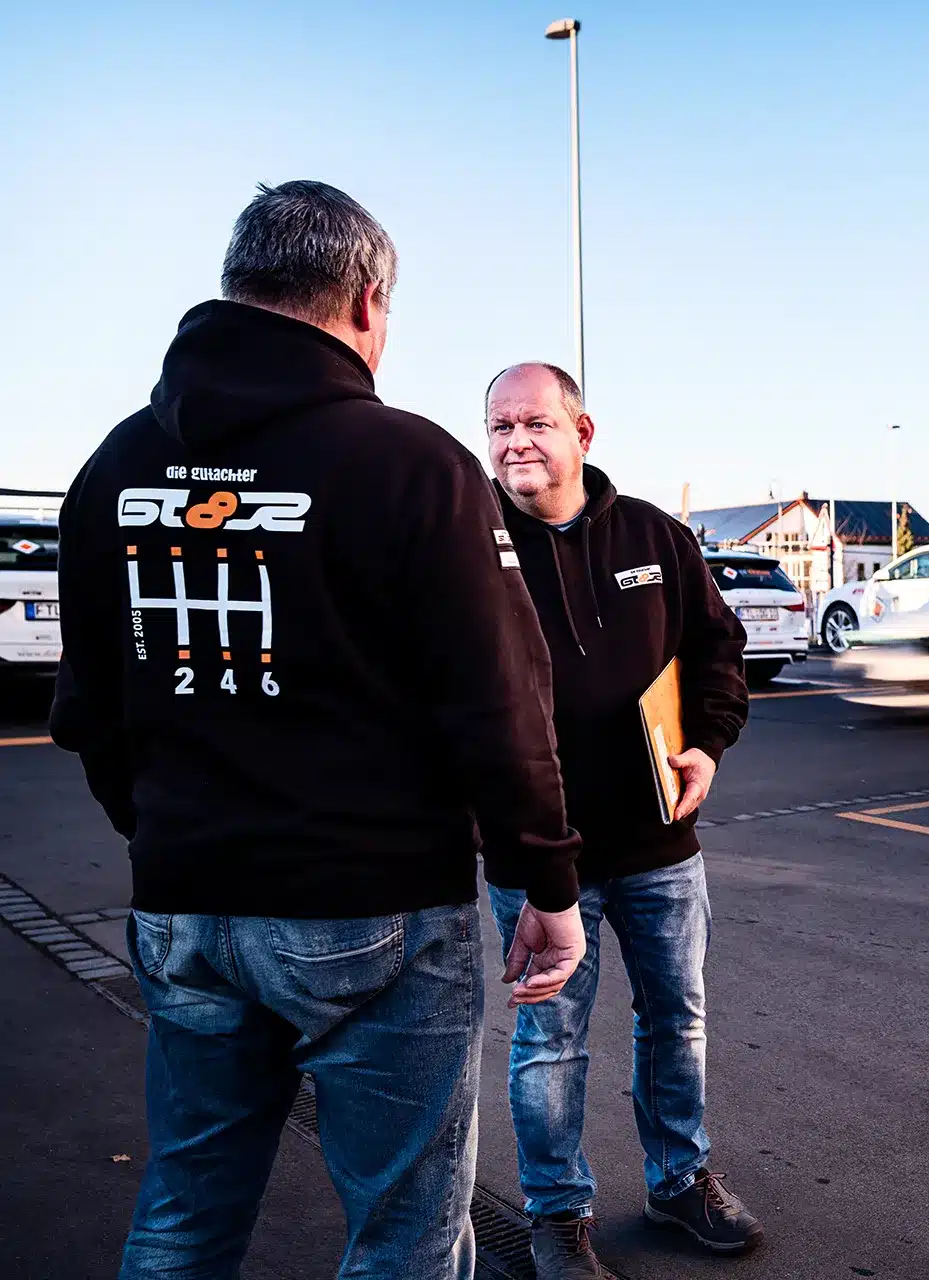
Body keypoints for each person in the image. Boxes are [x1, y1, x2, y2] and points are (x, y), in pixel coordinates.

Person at [50, 181, 588, 1279]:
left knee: (185, 1211)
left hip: (185, 901)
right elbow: (499, 698)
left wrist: (169, 830)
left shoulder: (116, 465)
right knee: (404, 1229)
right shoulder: (410, 462)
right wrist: (548, 881)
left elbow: (89, 704)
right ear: (365, 299)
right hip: (370, 908)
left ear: (238, 287)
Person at [481, 362, 757, 1276]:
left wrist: (707, 747)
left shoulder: (654, 536)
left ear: (583, 432)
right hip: (535, 856)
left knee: (676, 1018)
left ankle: (681, 1181)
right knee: (549, 1038)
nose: (516, 440)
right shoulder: (467, 542)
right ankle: (558, 1216)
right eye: (500, 425)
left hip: (659, 849)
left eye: (535, 422)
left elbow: (718, 649)